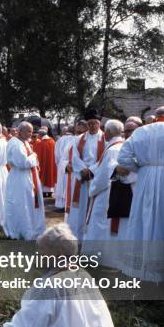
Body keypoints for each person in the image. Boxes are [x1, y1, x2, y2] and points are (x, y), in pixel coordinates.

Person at [116, 106, 164, 283]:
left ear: (156, 117)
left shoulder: (141, 132)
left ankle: (143, 269)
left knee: (144, 219)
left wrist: (142, 168)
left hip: (146, 179)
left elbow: (123, 158)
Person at [82, 120, 127, 259]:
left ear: (107, 132)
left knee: (100, 222)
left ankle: (100, 256)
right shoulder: (120, 146)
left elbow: (104, 176)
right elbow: (102, 166)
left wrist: (93, 189)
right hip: (116, 190)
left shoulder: (113, 149)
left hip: (106, 192)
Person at [66, 110, 105, 241]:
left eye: (95, 123)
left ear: (100, 123)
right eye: (90, 123)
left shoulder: (105, 139)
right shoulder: (79, 139)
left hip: (97, 178)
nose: (93, 126)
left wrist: (92, 170)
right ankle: (78, 236)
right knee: (80, 210)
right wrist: (83, 170)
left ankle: (92, 238)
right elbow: (75, 157)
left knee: (95, 209)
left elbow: (106, 158)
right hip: (81, 179)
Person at [3, 122, 45, 240]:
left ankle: (30, 228)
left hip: (27, 177)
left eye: (31, 131)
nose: (31, 134)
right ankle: (19, 231)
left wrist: (33, 157)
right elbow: (22, 163)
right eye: (28, 131)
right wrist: (34, 156)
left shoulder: (24, 142)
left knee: (28, 203)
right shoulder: (15, 143)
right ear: (20, 131)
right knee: (21, 204)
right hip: (19, 177)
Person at [54, 126, 76, 210]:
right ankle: (67, 203)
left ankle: (60, 204)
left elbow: (56, 154)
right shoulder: (75, 139)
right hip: (70, 165)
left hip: (61, 164)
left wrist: (58, 164)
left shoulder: (60, 140)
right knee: (67, 184)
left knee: (61, 184)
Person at [33, 128, 58, 197]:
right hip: (51, 163)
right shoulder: (52, 141)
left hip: (43, 164)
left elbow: (37, 155)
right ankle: (50, 192)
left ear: (40, 135)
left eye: (38, 135)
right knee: (50, 175)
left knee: (44, 175)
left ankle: (44, 192)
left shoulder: (41, 143)